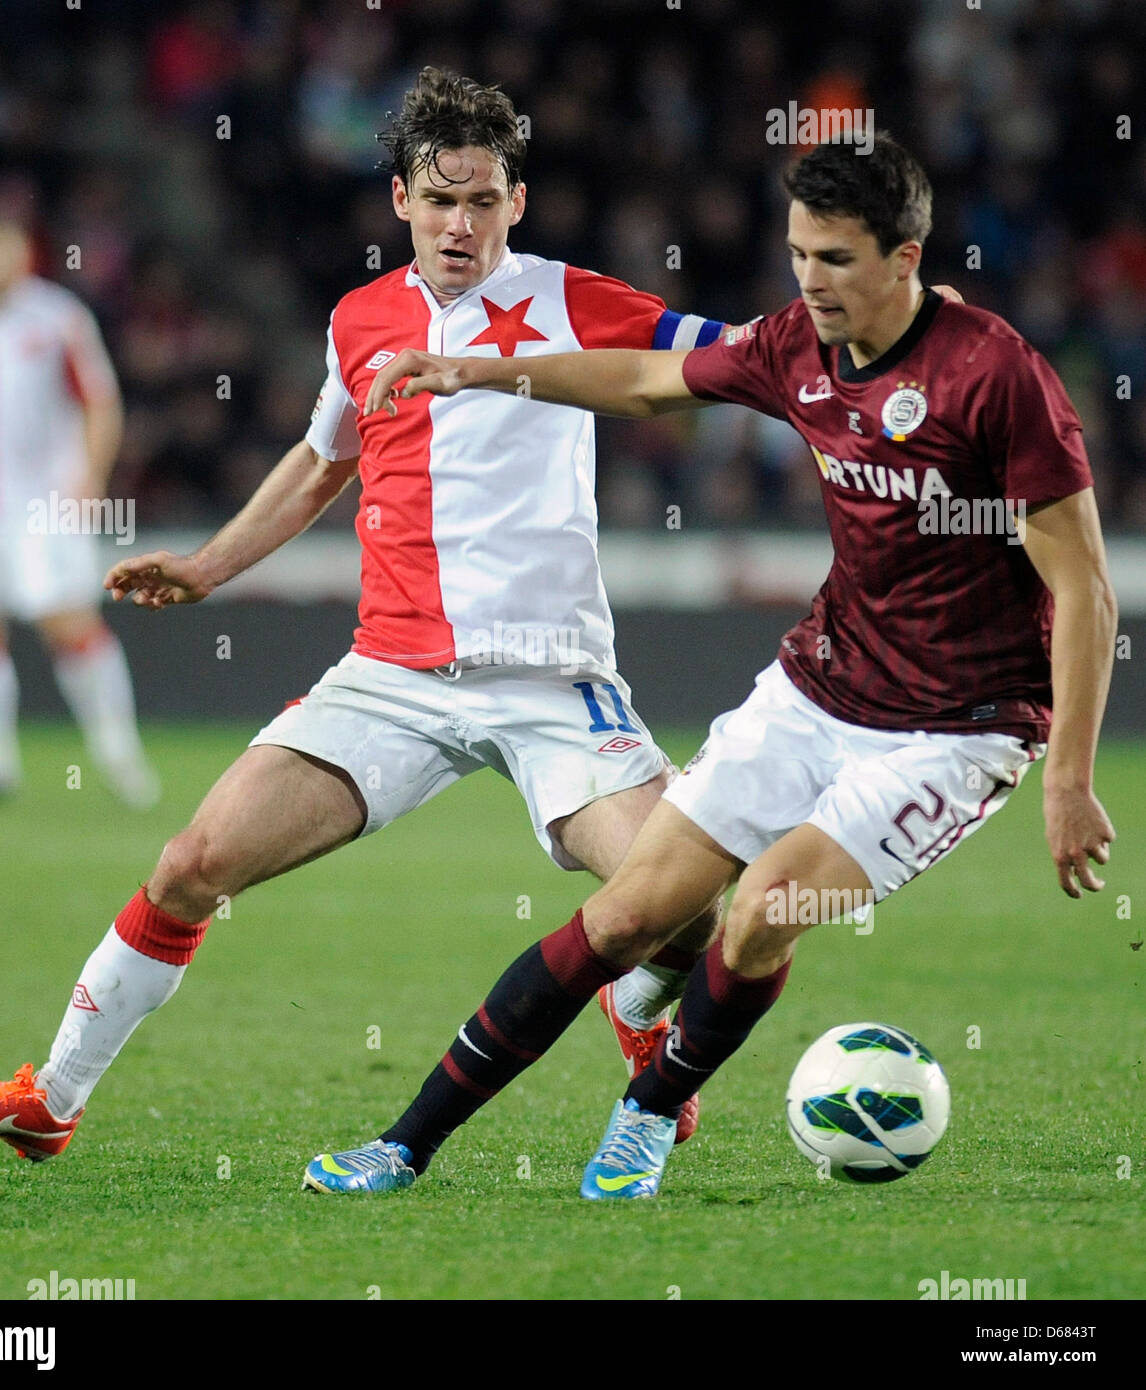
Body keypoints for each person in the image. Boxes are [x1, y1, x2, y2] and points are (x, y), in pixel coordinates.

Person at [0, 68, 729, 1164]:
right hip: (389, 675)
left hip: (550, 676)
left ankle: (636, 1017)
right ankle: (51, 1094)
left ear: (517, 202)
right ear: (400, 201)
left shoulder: (571, 296)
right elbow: (321, 460)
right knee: (190, 861)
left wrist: (888, 337)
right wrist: (210, 566)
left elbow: (732, 351)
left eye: (483, 200)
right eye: (439, 200)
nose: (460, 223)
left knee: (691, 895)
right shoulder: (361, 317)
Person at [301, 132, 1117, 1199]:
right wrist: (473, 369)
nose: (810, 282)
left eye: (836, 259)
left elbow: (1086, 586)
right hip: (821, 683)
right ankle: (404, 1143)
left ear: (906, 259)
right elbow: (646, 382)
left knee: (767, 906)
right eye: (799, 254)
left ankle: (645, 1114)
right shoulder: (795, 347)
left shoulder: (993, 375)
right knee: (628, 918)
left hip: (959, 730)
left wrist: (1068, 777)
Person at [0, 215, 159, 808]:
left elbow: (100, 401)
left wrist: (92, 475)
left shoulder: (57, 317)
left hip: (46, 506)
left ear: (22, 257)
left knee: (67, 623)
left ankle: (120, 756)